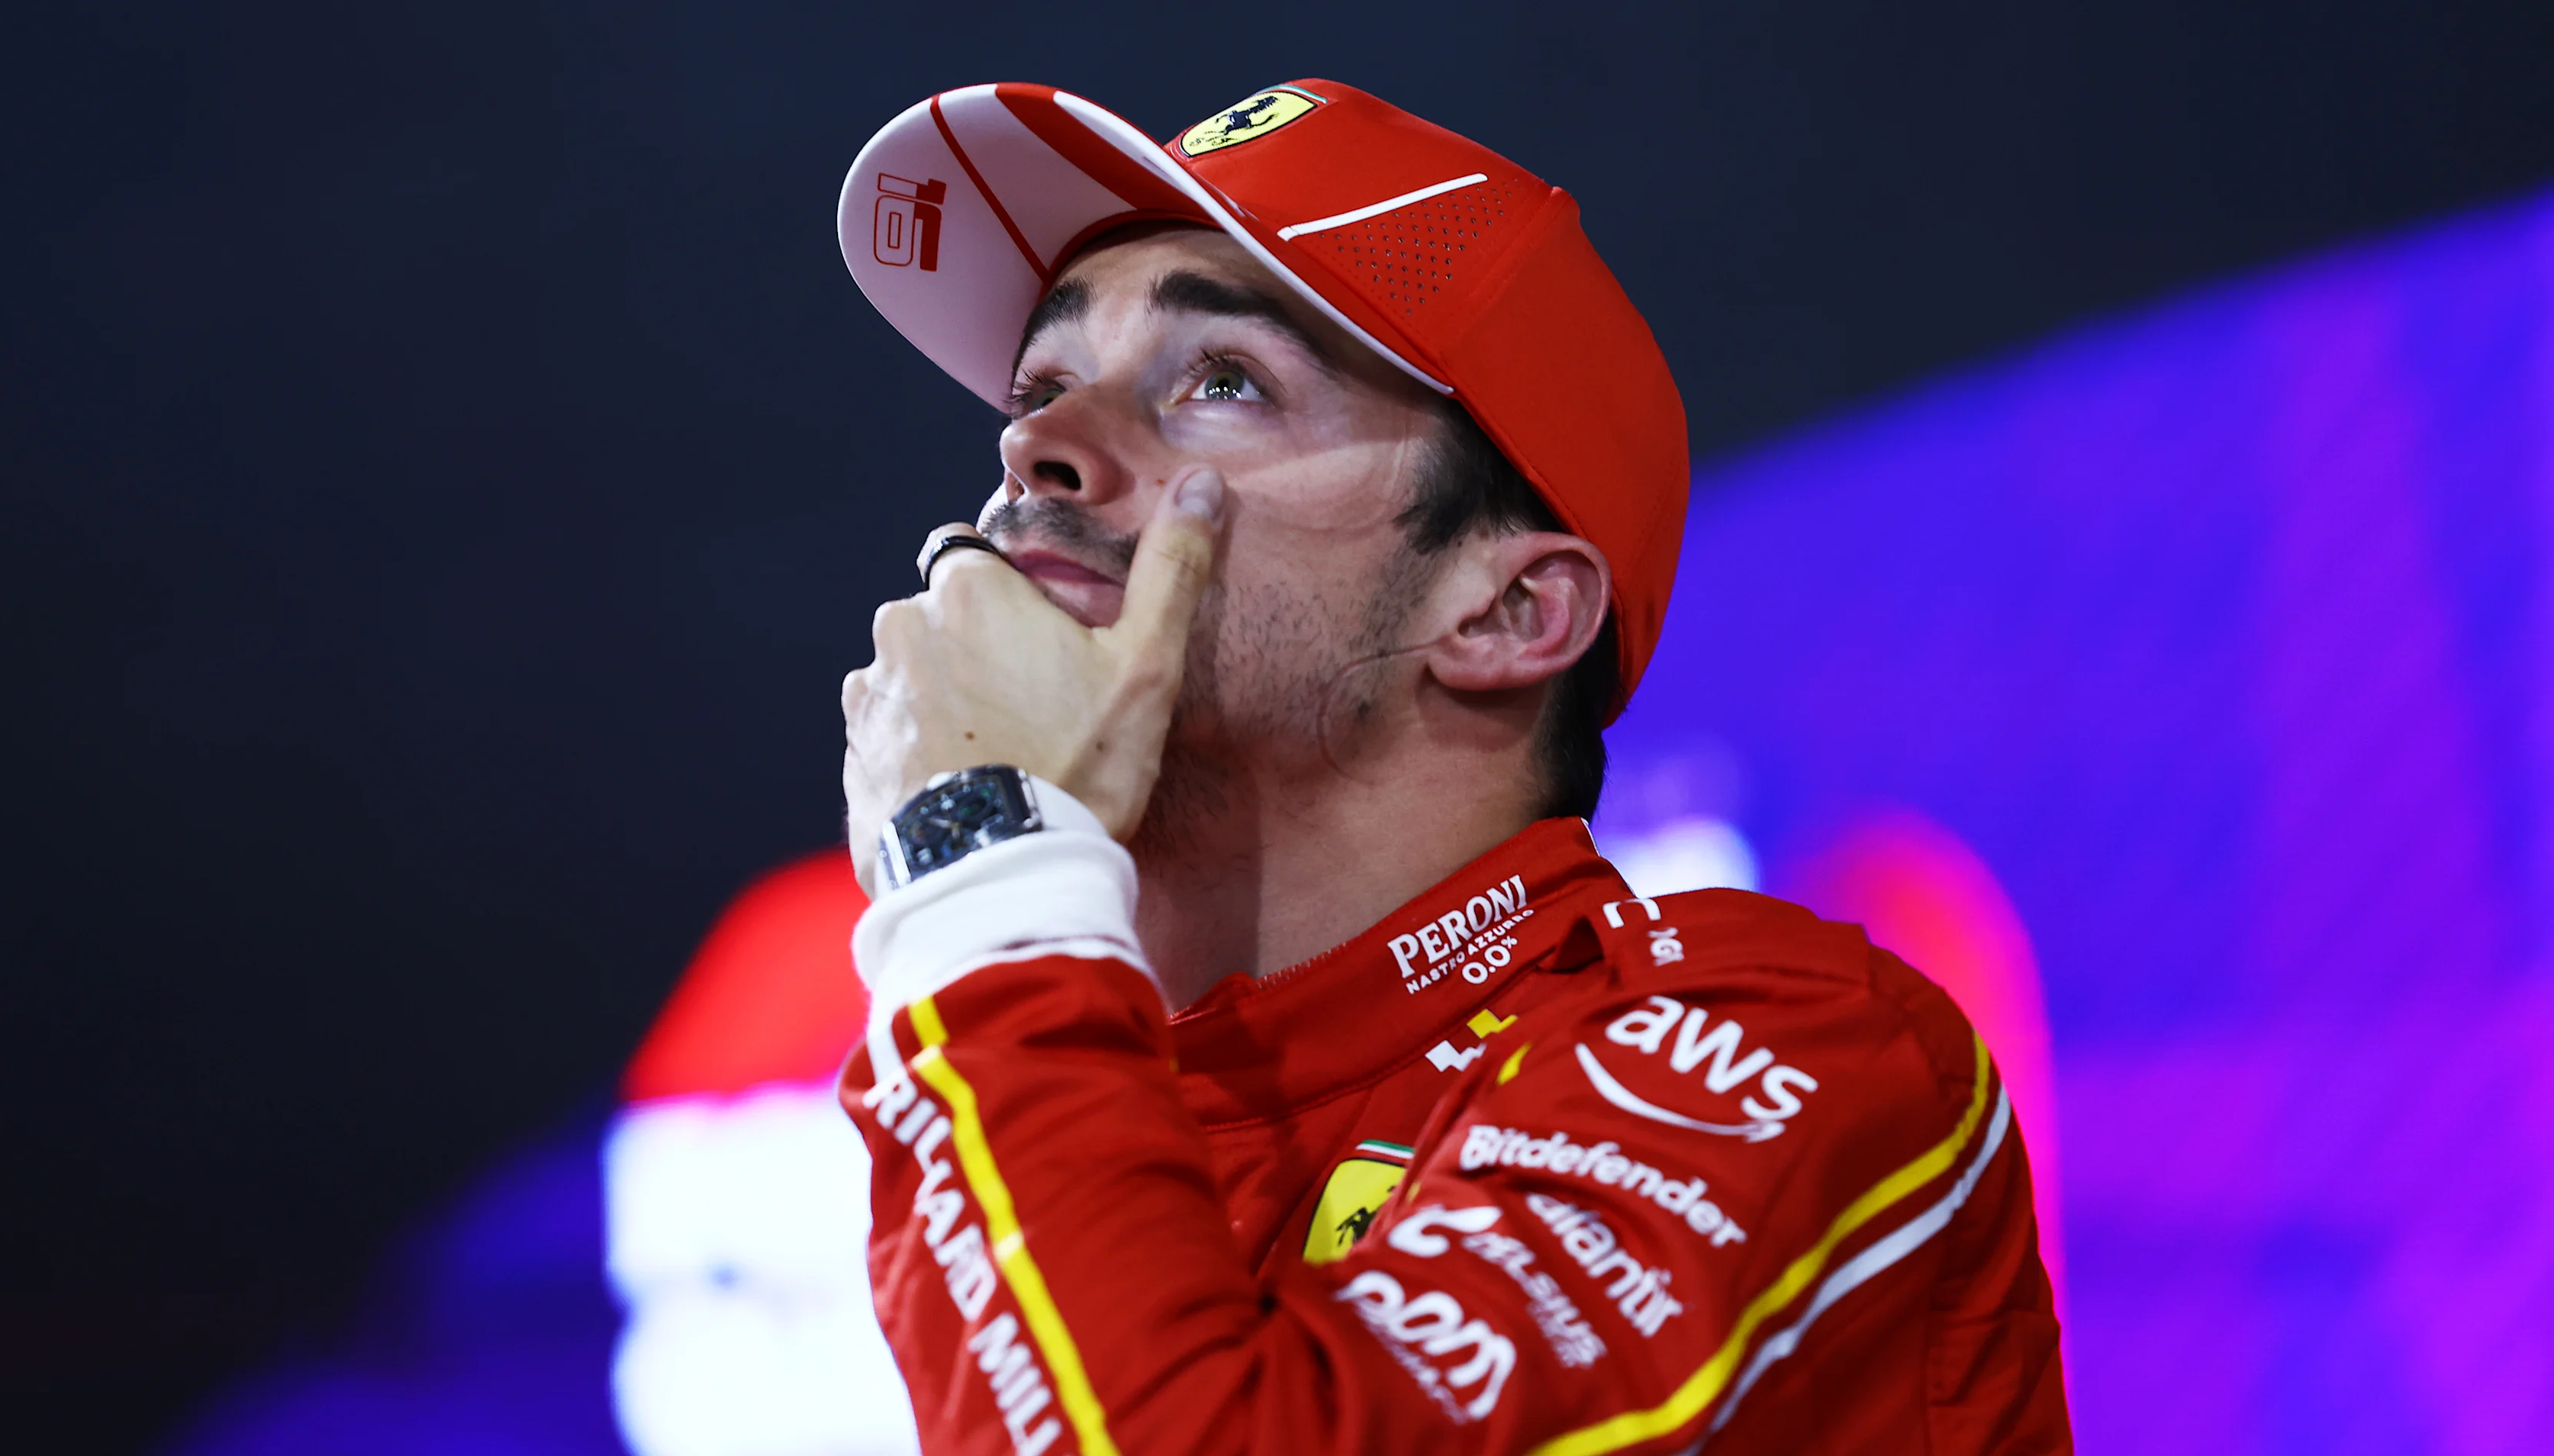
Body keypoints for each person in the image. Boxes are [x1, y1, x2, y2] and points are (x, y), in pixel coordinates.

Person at [833, 79, 2069, 1454]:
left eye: (1223, 381)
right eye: (1046, 385)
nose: (1033, 447)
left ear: (1506, 612)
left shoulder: (1792, 1048)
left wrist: (977, 859)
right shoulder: (1013, 1053)